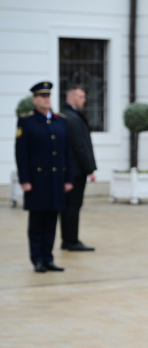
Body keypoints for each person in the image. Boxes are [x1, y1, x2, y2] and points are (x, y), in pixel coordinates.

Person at [15, 81, 74, 272]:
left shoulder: (60, 121)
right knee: (37, 223)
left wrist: (68, 179)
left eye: (48, 96)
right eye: (42, 96)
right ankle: (37, 259)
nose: (46, 99)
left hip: (56, 181)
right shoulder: (27, 121)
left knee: (51, 221)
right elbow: (21, 153)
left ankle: (48, 258)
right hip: (37, 181)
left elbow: (66, 152)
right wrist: (24, 179)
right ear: (35, 100)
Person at [59, 84, 98, 252]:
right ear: (73, 97)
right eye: (81, 97)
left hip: (69, 170)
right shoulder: (72, 118)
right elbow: (79, 146)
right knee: (73, 206)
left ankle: (67, 239)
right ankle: (71, 241)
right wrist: (90, 169)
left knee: (67, 207)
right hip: (76, 171)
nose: (84, 100)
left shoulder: (67, 115)